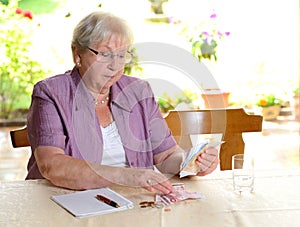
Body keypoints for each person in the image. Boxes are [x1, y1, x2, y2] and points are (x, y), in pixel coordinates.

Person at [26, 11, 219, 194]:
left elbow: (166, 155)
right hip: (64, 203)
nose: (115, 65)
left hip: (130, 202)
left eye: (121, 55)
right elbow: (52, 165)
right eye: (105, 54)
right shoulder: (51, 93)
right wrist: (126, 176)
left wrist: (190, 162)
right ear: (78, 54)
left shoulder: (138, 91)